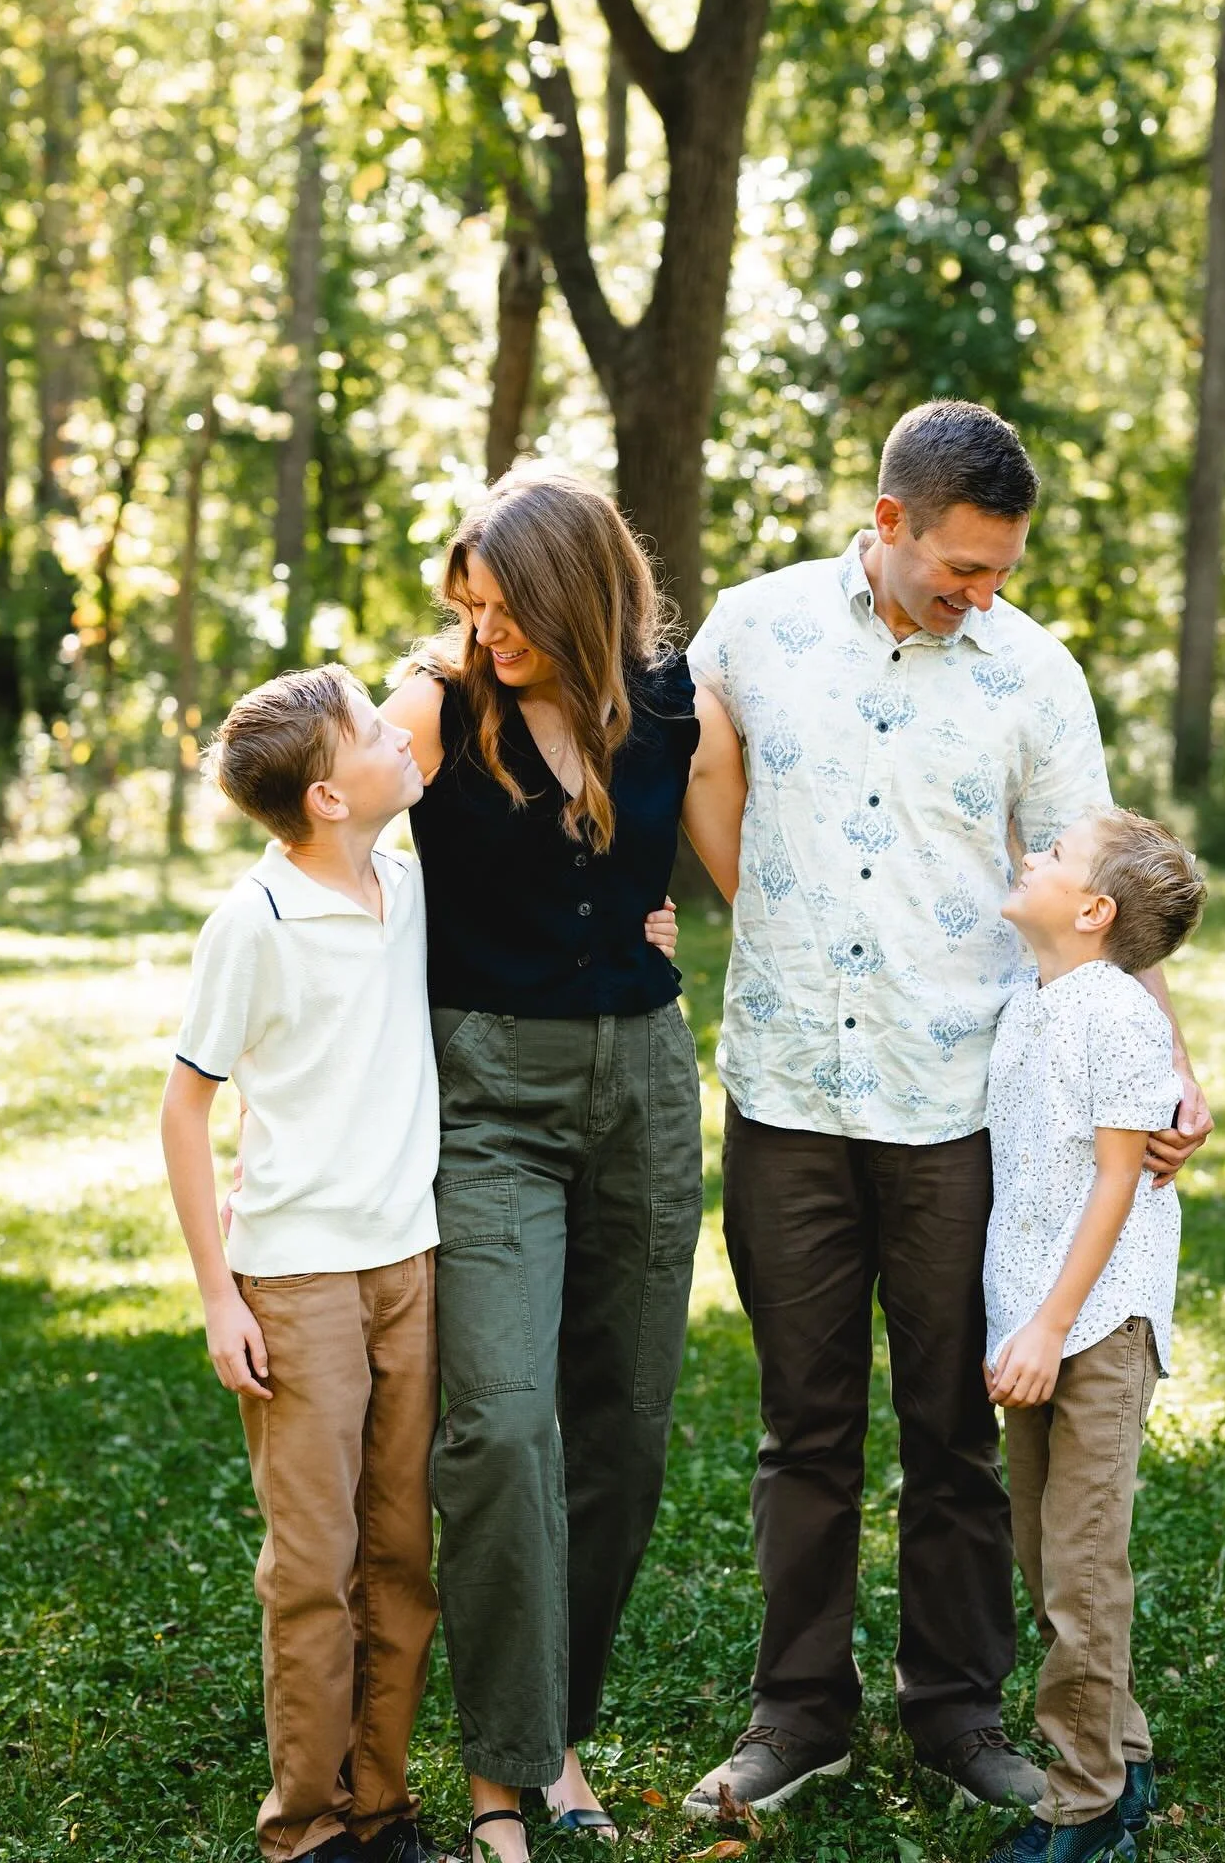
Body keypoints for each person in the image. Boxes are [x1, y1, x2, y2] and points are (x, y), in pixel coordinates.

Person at [681, 400, 1212, 1819]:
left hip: (963, 1103)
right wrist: (734, 916)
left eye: (1002, 568)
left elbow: (1112, 900)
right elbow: (671, 770)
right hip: (787, 1087)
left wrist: (1171, 1063)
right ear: (890, 520)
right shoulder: (750, 627)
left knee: (955, 1427)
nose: (985, 592)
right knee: (805, 1429)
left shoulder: (1036, 674)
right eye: (962, 565)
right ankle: (799, 1717)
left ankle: (958, 1712)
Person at [381, 466, 745, 1863]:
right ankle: (497, 1775)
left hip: (645, 1090)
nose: (487, 631)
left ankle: (562, 1736)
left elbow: (752, 878)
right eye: (468, 605)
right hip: (490, 1097)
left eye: (507, 604)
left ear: (576, 589)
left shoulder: (676, 711)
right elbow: (327, 839)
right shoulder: (436, 704)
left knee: (626, 1427)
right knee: (503, 1427)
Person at [160, 665, 454, 1863]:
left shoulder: (405, 880)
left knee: (399, 1552)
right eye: (378, 732)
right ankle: (306, 1829)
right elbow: (185, 1113)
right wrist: (220, 1295)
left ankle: (379, 1806)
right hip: (298, 1283)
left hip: (409, 1266)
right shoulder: (254, 923)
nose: (401, 735)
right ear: (329, 795)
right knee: (314, 1565)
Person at [982, 808, 1206, 1863]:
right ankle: (1125, 1754)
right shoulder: (1035, 996)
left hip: (1098, 1323)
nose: (1033, 856)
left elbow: (1121, 1179)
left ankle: (1081, 1803)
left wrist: (1052, 1326)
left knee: (1078, 1568)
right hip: (1038, 1321)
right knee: (1043, 1554)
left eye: (1056, 855)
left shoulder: (1115, 1013)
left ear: (1093, 910)